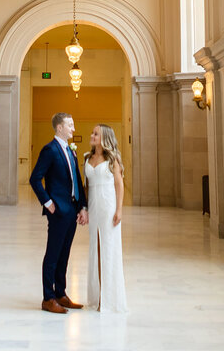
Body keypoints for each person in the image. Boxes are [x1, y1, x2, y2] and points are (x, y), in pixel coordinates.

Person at [29, 112, 87, 314]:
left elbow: (77, 182)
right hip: (58, 211)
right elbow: (35, 179)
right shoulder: (50, 150)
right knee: (52, 255)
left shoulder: (71, 151)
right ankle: (48, 298)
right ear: (59, 128)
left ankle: (61, 293)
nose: (73, 128)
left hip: (71, 211)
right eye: (70, 125)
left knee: (65, 254)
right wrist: (48, 202)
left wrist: (82, 207)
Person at [84, 124, 128, 312]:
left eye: (96, 134)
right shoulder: (87, 157)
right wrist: (84, 208)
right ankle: (97, 295)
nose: (92, 135)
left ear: (104, 138)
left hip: (108, 207)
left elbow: (119, 185)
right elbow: (86, 186)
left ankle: (109, 299)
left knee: (109, 251)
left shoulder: (112, 159)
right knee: (96, 250)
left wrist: (119, 209)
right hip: (94, 208)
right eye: (93, 132)